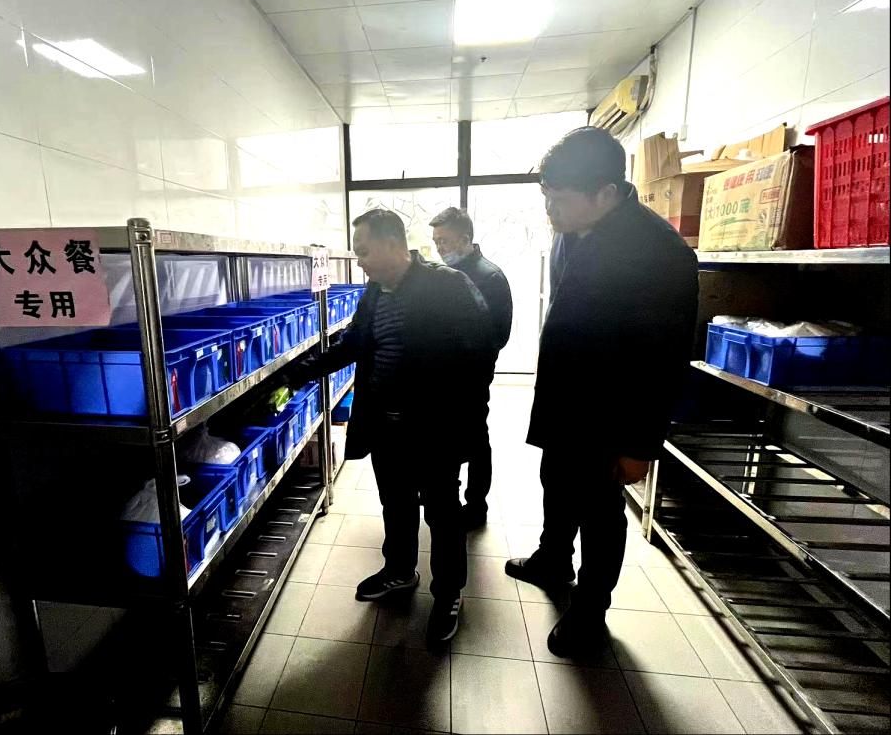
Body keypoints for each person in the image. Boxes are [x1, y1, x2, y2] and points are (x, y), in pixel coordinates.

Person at [505, 127, 699, 657]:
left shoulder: (660, 253)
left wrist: (640, 445)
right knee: (555, 483)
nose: (550, 210)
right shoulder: (572, 231)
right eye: (547, 197)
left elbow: (665, 360)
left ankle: (590, 611)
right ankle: (552, 559)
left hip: (612, 412)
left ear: (606, 193)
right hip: (566, 400)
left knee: (600, 512)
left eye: (560, 199)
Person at [284, 208, 490, 644]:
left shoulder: (448, 286)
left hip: (434, 429)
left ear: (394, 243)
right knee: (395, 504)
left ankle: (448, 593)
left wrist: (463, 424)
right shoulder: (375, 292)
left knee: (442, 512)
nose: (360, 261)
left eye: (364, 252)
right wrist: (300, 371)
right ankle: (399, 571)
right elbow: (355, 343)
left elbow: (479, 357)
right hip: (386, 426)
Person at [429, 207, 513, 531]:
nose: (440, 248)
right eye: (436, 241)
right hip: (442, 374)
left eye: (445, 241)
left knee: (476, 439)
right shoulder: (442, 274)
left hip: (471, 375)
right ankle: (444, 494)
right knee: (447, 438)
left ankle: (477, 504)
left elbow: (498, 335)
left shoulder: (489, 277)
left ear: (465, 239)